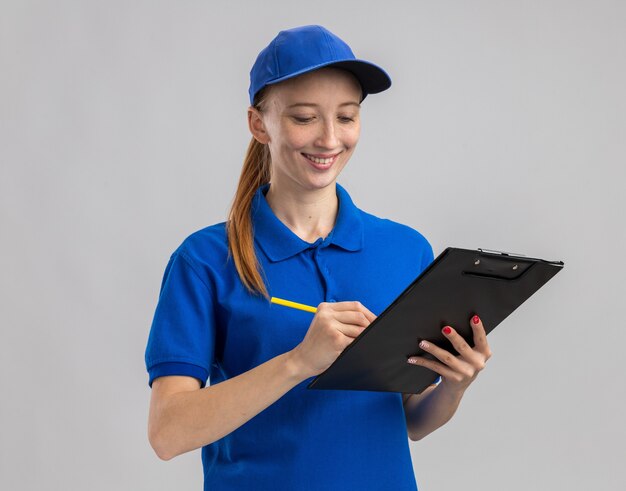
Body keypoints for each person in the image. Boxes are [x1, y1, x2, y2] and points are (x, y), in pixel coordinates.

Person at [145, 24, 492, 490]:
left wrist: (455, 383)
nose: (329, 138)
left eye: (346, 117)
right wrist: (299, 362)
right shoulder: (205, 260)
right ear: (257, 123)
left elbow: (411, 419)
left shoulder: (406, 251)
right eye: (305, 117)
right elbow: (168, 432)